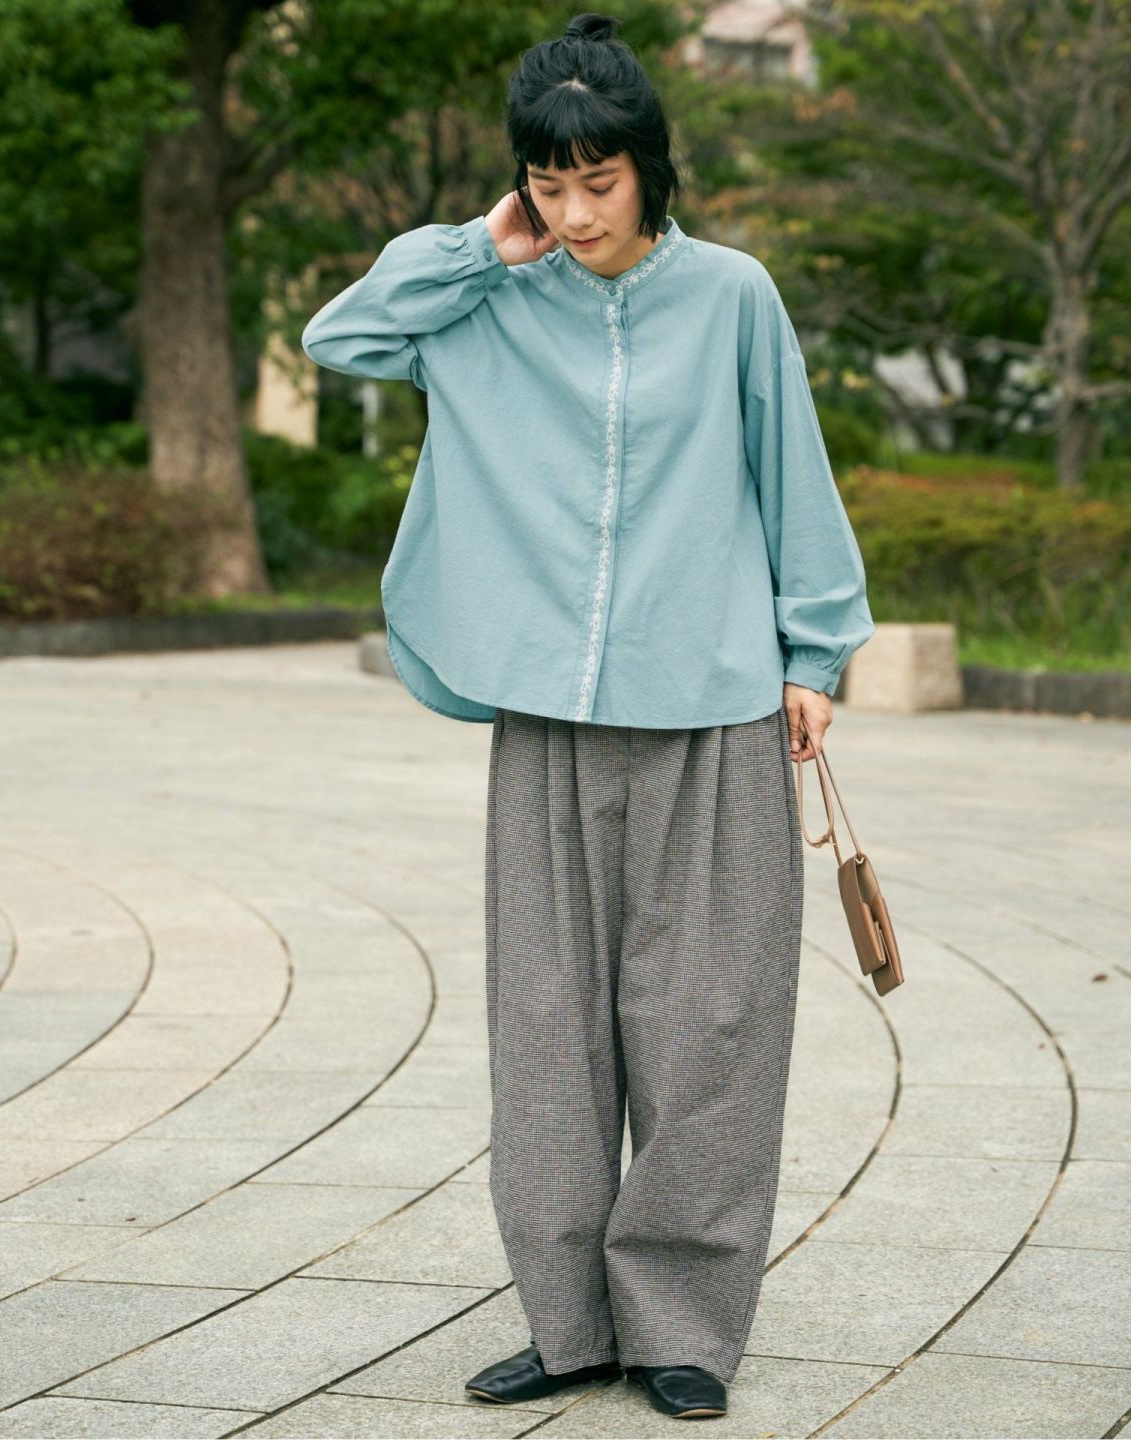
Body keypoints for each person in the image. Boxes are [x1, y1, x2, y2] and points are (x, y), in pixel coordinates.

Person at [301, 10, 875, 1421]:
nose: (574, 214)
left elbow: (790, 468)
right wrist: (476, 247)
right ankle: (567, 1327)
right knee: (547, 1033)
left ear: (649, 168)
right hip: (546, 719)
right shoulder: (490, 298)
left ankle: (681, 1324)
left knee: (709, 1026)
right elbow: (340, 334)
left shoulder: (732, 295)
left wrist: (814, 654)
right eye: (547, 184)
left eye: (598, 182)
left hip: (713, 709)